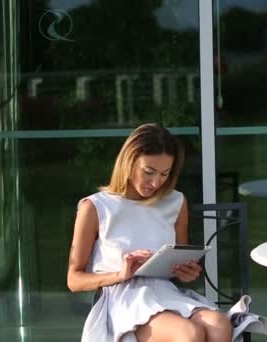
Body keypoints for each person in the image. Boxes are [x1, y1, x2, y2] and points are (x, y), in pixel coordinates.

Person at [67, 123, 233, 342]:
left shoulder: (175, 202)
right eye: (149, 172)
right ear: (129, 161)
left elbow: (176, 264)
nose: (156, 182)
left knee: (219, 325)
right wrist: (119, 274)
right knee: (188, 334)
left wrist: (185, 272)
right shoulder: (96, 207)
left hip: (164, 292)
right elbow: (74, 280)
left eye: (165, 174)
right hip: (122, 298)